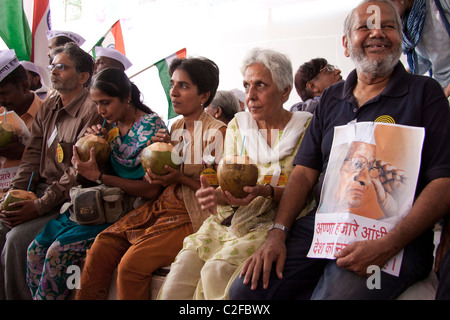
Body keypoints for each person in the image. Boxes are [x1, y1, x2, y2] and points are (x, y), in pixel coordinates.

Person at [229, 0, 450, 300]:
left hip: (394, 239)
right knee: (246, 291)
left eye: (388, 26)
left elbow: (443, 181)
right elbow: (305, 173)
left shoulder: (426, 93)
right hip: (322, 231)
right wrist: (278, 232)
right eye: (365, 26)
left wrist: (389, 244)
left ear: (401, 39)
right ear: (346, 44)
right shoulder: (331, 98)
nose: (377, 33)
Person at [158, 48, 313, 300]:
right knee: (180, 275)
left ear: (285, 90)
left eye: (260, 85)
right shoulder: (238, 126)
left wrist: (265, 192)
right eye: (246, 85)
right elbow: (226, 187)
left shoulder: (305, 128)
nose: (250, 95)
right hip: (229, 220)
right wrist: (216, 194)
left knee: (216, 271)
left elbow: (306, 189)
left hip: (274, 222)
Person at [75, 57, 227, 300]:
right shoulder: (175, 127)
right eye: (173, 84)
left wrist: (176, 175)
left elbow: (216, 190)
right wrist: (156, 164)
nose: (174, 92)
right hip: (163, 206)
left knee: (130, 266)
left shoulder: (216, 132)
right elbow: (160, 180)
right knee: (103, 244)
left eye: (184, 86)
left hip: (194, 214)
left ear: (204, 95)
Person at [25, 68, 164, 300]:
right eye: (96, 103)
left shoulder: (152, 128)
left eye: (106, 103)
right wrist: (90, 146)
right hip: (98, 206)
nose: (100, 111)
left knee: (57, 252)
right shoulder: (108, 128)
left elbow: (152, 190)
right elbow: (95, 170)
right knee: (35, 250)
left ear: (126, 96)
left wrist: (100, 176)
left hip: (130, 211)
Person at [0, 42, 103, 300]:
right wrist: (15, 196)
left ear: (82, 77)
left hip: (68, 201)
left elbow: (75, 173)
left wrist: (37, 207)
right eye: (52, 66)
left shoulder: (92, 110)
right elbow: (32, 157)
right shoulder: (50, 104)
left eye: (61, 67)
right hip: (40, 193)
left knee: (15, 240)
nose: (53, 71)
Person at [0, 50, 42, 197]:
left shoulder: (48, 113)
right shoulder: (1, 115)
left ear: (25, 87)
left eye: (3, 93)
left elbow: (58, 160)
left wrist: (23, 152)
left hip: (32, 197)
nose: (1, 100)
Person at [389, 0, 450, 96]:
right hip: (442, 86)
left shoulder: (439, 3)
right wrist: (396, 78)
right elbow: (426, 58)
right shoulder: (409, 23)